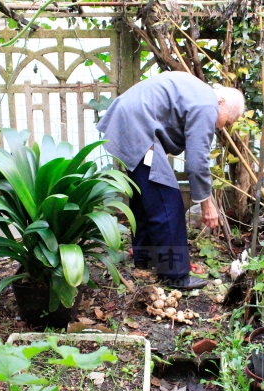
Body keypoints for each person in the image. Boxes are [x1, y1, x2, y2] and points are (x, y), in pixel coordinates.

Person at [96, 71, 245, 289]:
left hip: (126, 121)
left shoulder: (199, 93)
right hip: (137, 127)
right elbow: (197, 162)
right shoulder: (208, 106)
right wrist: (206, 203)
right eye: (227, 121)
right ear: (221, 103)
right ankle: (175, 275)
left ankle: (144, 257)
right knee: (169, 203)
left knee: (146, 196)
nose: (221, 127)